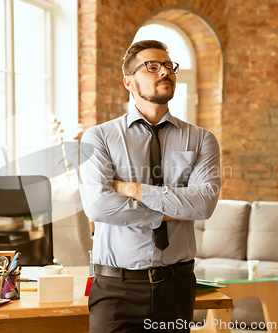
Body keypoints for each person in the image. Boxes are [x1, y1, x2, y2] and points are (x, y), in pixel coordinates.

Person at [80, 39, 221, 333]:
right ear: (129, 81)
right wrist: (171, 210)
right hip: (116, 289)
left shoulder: (201, 140)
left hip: (176, 286)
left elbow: (203, 204)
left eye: (169, 66)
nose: (164, 72)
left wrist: (134, 190)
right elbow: (98, 206)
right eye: (152, 67)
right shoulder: (99, 138)